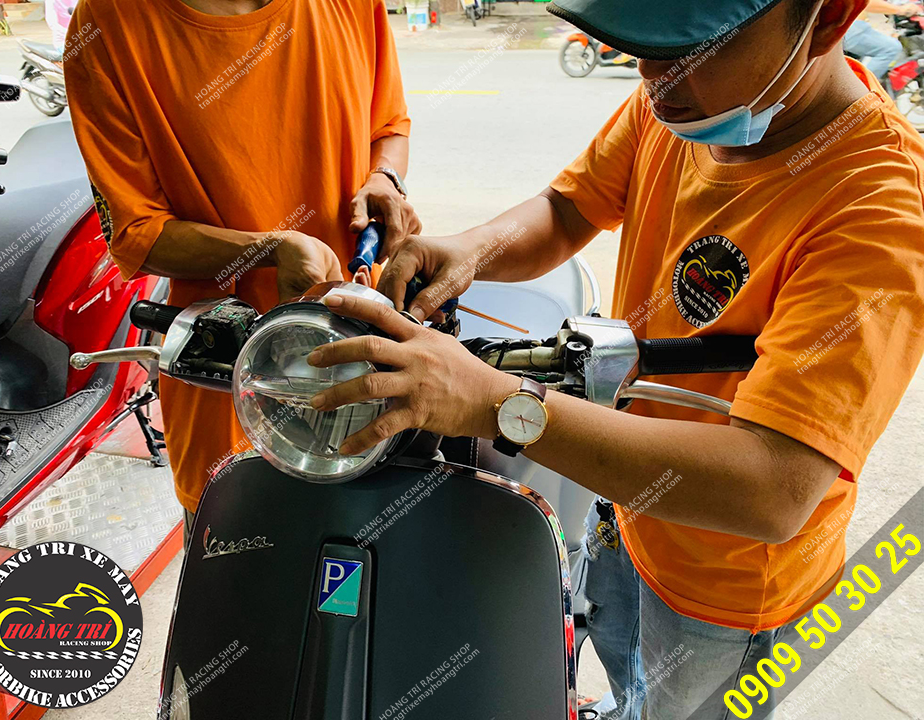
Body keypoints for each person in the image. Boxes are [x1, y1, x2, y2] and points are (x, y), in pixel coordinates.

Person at [299, 0, 924, 717]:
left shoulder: (880, 208)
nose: (654, 75)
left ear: (828, 19)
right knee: (621, 671)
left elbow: (775, 489)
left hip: (726, 592)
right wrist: (471, 250)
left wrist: (498, 402)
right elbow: (570, 209)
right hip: (624, 500)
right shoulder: (685, 100)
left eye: (694, 44)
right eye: (642, 44)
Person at [62, 0, 420, 545]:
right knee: (236, 588)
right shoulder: (109, 23)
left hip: (363, 358)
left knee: (360, 576)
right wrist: (268, 250)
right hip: (226, 373)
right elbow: (136, 233)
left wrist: (387, 178)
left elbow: (389, 125)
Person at [843, 0, 918, 79]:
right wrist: (900, 9)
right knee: (891, 48)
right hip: (849, 26)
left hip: (851, 25)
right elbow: (867, 3)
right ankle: (861, 86)